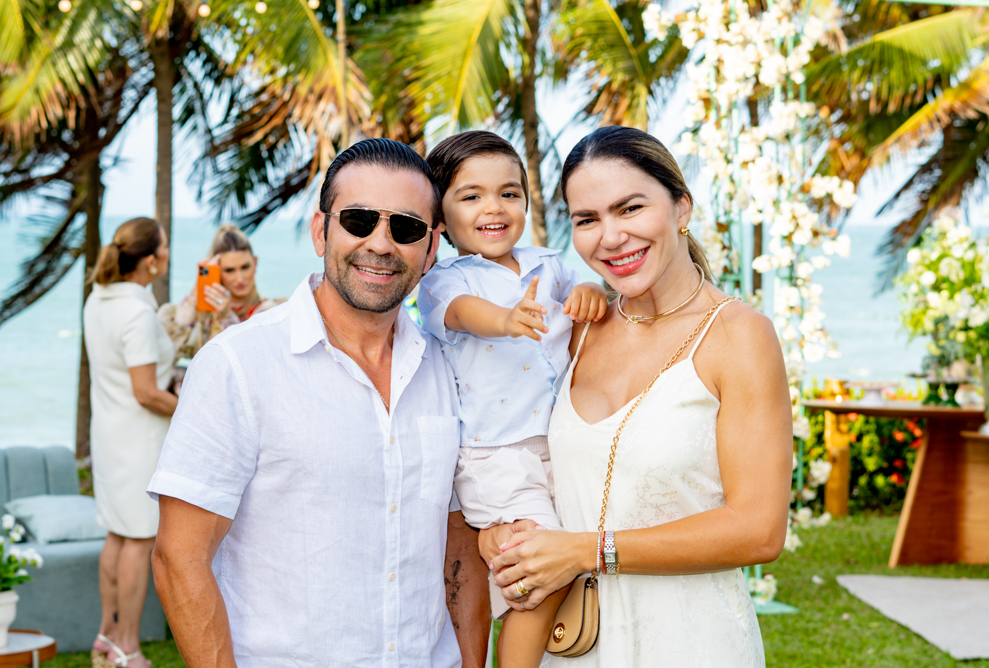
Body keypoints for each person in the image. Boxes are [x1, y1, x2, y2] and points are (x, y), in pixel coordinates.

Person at [147, 138, 489, 668]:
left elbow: (459, 549)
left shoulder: (448, 369)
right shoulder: (238, 364)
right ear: (319, 230)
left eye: (405, 227)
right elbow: (179, 558)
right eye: (358, 220)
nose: (380, 243)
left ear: (431, 248)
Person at [486, 126, 793, 667]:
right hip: (575, 644)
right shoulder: (578, 329)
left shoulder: (738, 336)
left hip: (690, 644)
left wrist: (583, 551)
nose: (609, 236)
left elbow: (759, 529)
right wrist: (501, 532)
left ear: (681, 207)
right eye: (587, 220)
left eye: (629, 209)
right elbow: (507, 439)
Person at [418, 131, 607, 668]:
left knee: (555, 556)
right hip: (495, 455)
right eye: (471, 195)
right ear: (440, 217)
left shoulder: (549, 263)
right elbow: (460, 315)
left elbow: (584, 299)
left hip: (557, 442)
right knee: (534, 572)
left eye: (509, 193)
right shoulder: (443, 281)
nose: (494, 207)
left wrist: (590, 293)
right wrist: (503, 320)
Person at [83, 217, 177, 668]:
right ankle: (129, 646)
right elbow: (147, 393)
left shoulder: (98, 299)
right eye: (164, 247)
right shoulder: (137, 312)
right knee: (138, 541)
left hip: (108, 435)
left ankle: (107, 633)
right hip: (138, 441)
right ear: (151, 261)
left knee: (117, 536)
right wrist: (193, 409)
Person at [158, 224, 284, 364]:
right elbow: (168, 353)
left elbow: (252, 361)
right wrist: (199, 287)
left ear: (255, 263)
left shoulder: (273, 311)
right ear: (217, 271)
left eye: (245, 267)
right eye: (229, 270)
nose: (240, 278)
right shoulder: (204, 317)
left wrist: (227, 317)